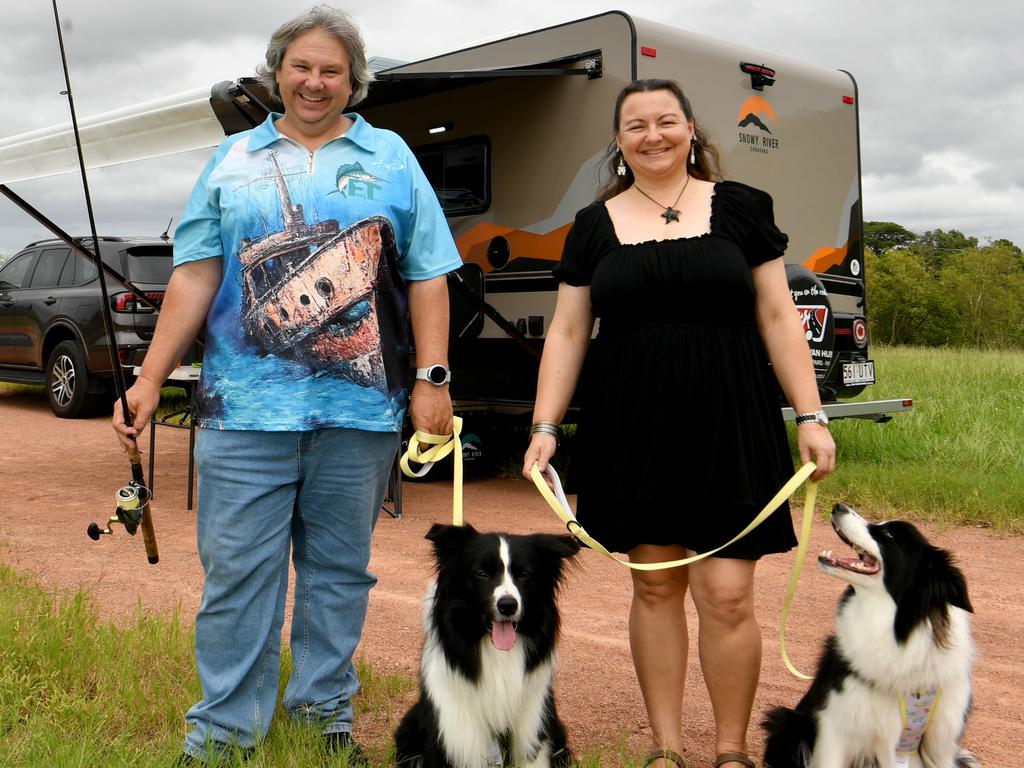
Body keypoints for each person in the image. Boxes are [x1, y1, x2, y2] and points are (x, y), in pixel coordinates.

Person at [112, 6, 461, 765]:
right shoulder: (231, 160)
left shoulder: (393, 156)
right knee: (238, 574)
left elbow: (430, 272)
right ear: (278, 73)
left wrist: (432, 378)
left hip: (363, 411)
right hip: (241, 413)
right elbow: (197, 274)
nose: (314, 81)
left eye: (331, 70)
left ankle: (320, 717)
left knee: (340, 572)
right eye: (301, 66)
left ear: (352, 81)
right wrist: (148, 379)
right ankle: (222, 734)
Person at [522, 79, 835, 768]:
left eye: (666, 121)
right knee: (655, 583)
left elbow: (779, 316)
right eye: (636, 125)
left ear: (691, 128)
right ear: (618, 141)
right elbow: (570, 333)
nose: (653, 135)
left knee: (726, 594)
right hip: (631, 422)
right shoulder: (592, 225)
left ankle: (729, 751)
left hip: (731, 419)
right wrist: (545, 427)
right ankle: (665, 749)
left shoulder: (742, 209)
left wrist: (811, 415)